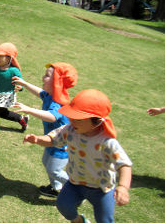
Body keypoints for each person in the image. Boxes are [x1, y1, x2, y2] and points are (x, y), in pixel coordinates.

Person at [23, 89, 132, 223]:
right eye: (71, 115)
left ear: (96, 122)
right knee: (63, 205)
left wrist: (123, 187)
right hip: (75, 183)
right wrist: (38, 139)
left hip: (102, 190)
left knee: (104, 220)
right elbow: (53, 139)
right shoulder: (70, 129)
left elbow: (124, 165)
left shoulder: (107, 142)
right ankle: (79, 221)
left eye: (77, 118)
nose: (71, 119)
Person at [12, 62, 78, 197]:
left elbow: (52, 117)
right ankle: (56, 188)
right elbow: (39, 92)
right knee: (46, 163)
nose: (42, 78)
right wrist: (24, 83)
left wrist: (30, 110)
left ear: (57, 82)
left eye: (47, 76)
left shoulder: (59, 101)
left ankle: (78, 190)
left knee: (55, 171)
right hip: (50, 140)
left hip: (62, 145)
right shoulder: (50, 95)